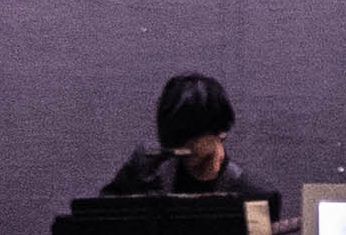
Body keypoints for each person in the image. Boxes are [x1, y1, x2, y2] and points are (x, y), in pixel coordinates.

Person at [102, 72, 253, 200]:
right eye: (178, 135)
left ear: (220, 133)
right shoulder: (145, 170)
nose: (184, 145)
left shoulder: (246, 192)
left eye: (193, 134)